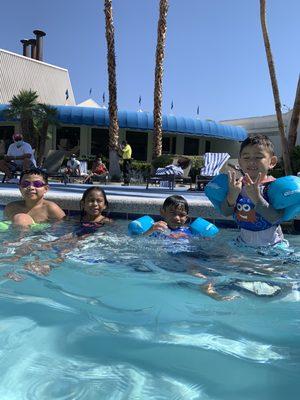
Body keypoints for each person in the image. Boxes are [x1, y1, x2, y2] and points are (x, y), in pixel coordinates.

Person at [219, 134, 286, 247]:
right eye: (246, 157)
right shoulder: (237, 186)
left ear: (272, 162)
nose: (251, 161)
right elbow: (226, 212)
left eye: (258, 157)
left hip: (273, 245)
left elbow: (276, 218)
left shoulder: (274, 187)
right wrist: (232, 196)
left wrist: (257, 198)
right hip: (243, 243)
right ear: (240, 162)